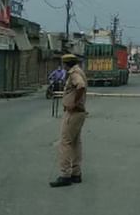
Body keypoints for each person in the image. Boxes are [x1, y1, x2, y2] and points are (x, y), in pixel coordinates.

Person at [50, 54, 88, 188]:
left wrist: (73, 103)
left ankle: (65, 174)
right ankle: (76, 173)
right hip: (79, 113)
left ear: (66, 64)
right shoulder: (79, 71)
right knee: (76, 142)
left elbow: (81, 86)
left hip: (73, 113)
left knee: (65, 143)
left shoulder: (74, 74)